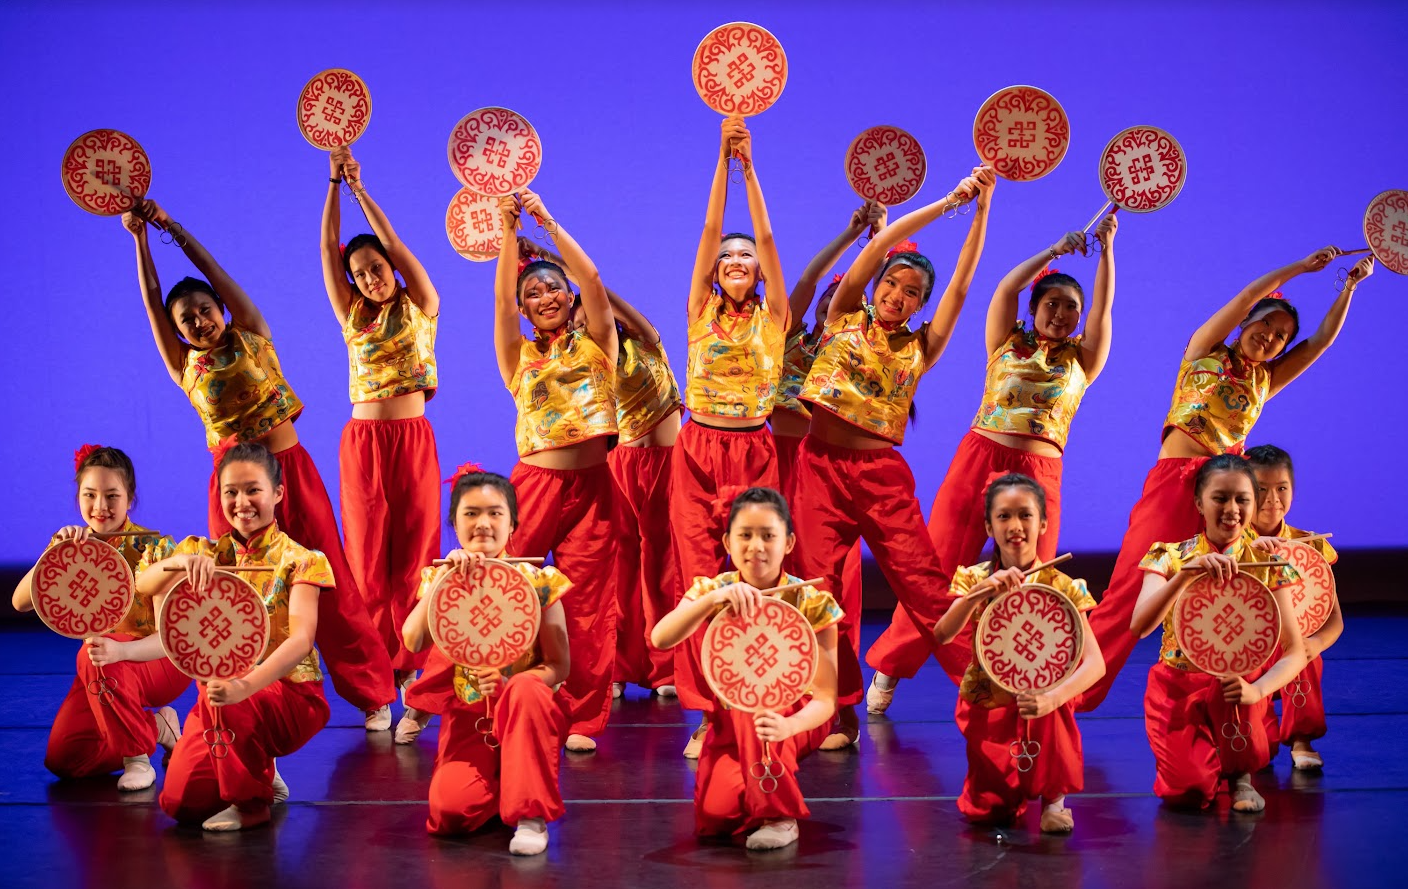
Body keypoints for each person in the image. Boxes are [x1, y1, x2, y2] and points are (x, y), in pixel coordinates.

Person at [122, 199, 395, 730]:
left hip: (290, 470)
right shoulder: (184, 367)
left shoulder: (250, 331)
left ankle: (374, 694)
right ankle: (238, 690)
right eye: (188, 320)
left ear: (221, 308)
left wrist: (171, 228)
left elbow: (217, 276)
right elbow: (154, 302)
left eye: (205, 309)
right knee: (231, 588)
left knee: (328, 579)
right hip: (235, 491)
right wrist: (138, 240)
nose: (199, 321)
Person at [1081, 250, 1373, 710]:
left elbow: (1318, 343)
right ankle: (1075, 693)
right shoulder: (1204, 350)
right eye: (1266, 325)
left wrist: (1348, 288)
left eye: (1281, 337)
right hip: (1175, 484)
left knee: (1243, 594)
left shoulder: (1266, 379)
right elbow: (1243, 298)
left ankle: (1245, 716)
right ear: (1247, 321)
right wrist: (1299, 268)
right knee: (1127, 593)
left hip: (1229, 497)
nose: (1271, 338)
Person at [867, 215, 1117, 712]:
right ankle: (890, 668)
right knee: (938, 568)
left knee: (1034, 578)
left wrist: (1106, 252)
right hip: (979, 458)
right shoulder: (1006, 340)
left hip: (1039, 475)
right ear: (1035, 307)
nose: (1063, 314)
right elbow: (1006, 285)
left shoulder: (1082, 361)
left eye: (1072, 308)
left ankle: (1026, 679)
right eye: (1053, 304)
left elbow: (1103, 311)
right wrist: (1052, 250)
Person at [792, 166, 996, 746]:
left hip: (880, 476)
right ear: (876, 282)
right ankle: (834, 712)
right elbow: (880, 244)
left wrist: (980, 210)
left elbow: (960, 284)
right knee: (816, 588)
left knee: (926, 589)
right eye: (893, 284)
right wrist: (946, 203)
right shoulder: (842, 317)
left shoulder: (920, 347)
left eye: (912, 293)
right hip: (819, 468)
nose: (898, 296)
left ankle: (987, 688)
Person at [671, 116, 790, 756]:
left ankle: (759, 694)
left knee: (761, 576)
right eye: (729, 259)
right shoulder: (699, 310)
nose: (738, 260)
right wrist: (722, 160)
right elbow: (711, 229)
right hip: (697, 448)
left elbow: (764, 233)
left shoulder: (775, 316)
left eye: (747, 259)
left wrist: (752, 169)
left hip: (755, 447)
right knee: (702, 578)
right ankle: (710, 714)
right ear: (717, 273)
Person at [139, 442, 332, 831]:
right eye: (230, 492)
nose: (241, 502)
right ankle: (258, 765)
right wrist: (178, 563)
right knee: (179, 803)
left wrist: (244, 686)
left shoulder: (303, 560)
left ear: (278, 493)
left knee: (225, 695)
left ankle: (251, 803)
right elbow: (144, 584)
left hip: (289, 695)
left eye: (252, 490)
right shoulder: (205, 552)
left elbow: (301, 640)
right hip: (222, 701)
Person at [320, 146, 442, 742]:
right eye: (361, 272)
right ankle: (376, 688)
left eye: (377, 267)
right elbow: (327, 251)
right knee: (368, 558)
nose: (371, 276)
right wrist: (334, 188)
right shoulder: (351, 314)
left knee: (416, 549)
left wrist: (364, 190)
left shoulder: (422, 306)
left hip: (413, 436)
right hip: (364, 441)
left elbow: (396, 247)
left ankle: (415, 675)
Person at [492, 190, 618, 752]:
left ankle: (585, 718)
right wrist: (505, 233)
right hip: (534, 488)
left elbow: (592, 276)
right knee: (505, 590)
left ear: (569, 296)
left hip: (594, 488)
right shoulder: (517, 354)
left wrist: (545, 222)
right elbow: (499, 304)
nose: (544, 296)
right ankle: (491, 695)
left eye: (552, 287)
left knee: (591, 605)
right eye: (531, 293)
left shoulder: (599, 342)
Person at [651, 487, 841, 851]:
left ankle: (779, 815)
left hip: (794, 715)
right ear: (727, 542)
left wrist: (789, 725)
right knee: (716, 818)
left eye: (769, 535)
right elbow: (661, 638)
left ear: (788, 543)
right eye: (745, 535)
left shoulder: (812, 601)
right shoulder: (716, 589)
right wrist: (711, 600)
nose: (756, 546)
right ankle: (757, 798)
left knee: (753, 703)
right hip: (729, 719)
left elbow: (826, 700)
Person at [402, 468, 571, 856]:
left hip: (526, 713)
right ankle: (507, 787)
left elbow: (559, 667)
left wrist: (513, 682)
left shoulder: (538, 579)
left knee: (528, 687)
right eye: (471, 513)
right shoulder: (441, 577)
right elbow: (412, 639)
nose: (483, 524)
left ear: (513, 523)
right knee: (449, 815)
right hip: (470, 718)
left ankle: (530, 814)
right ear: (454, 523)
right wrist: (445, 580)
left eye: (495, 513)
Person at [1130, 454, 1308, 812]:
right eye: (1219, 498)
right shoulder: (1168, 556)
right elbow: (1141, 626)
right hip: (1178, 688)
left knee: (1236, 702)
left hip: (1237, 689)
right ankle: (1205, 762)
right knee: (1188, 794)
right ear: (1199, 502)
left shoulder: (1267, 565)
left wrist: (1256, 690)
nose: (1232, 509)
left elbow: (1295, 651)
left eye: (1242, 499)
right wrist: (1186, 574)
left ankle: (1240, 774)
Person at [932, 474, 1104, 833]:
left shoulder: (1063, 587)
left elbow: (1095, 664)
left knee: (1053, 713)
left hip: (1043, 698)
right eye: (1004, 516)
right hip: (989, 700)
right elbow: (942, 635)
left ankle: (1055, 800)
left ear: (1043, 523)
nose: (1015, 526)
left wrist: (1053, 698)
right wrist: (977, 594)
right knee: (986, 812)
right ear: (988, 526)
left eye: (1025, 515)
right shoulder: (974, 578)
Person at [11, 445, 185, 790]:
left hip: (158, 663)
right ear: (78, 497)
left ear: (130, 498)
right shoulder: (72, 545)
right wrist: (53, 555)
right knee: (66, 758)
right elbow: (20, 603)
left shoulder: (156, 547)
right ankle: (159, 728)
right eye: (90, 495)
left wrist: (121, 652)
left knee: (92, 652)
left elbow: (170, 638)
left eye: (112, 496)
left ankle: (137, 758)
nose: (100, 506)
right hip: (104, 666)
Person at [1245, 443, 1342, 770]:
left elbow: (1334, 621)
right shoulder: (1229, 546)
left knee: (1302, 654)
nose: (1272, 499)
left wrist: (1313, 645)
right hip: (1248, 649)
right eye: (1261, 490)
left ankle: (1302, 740)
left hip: (1290, 648)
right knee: (1259, 752)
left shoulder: (1311, 545)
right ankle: (1261, 732)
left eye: (1282, 488)